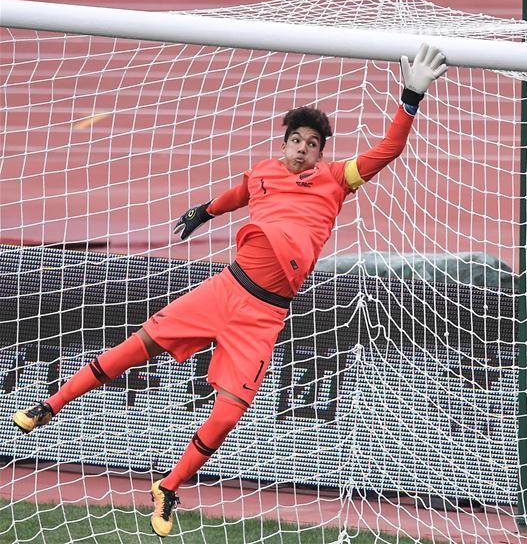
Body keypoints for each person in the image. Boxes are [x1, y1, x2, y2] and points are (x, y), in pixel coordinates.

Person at [11, 43, 447, 538]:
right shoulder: (262, 173)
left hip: (264, 315)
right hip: (225, 289)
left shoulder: (335, 179)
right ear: (284, 143)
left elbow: (388, 150)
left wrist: (411, 97)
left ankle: (168, 486)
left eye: (312, 144)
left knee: (228, 415)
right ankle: (50, 406)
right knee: (136, 347)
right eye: (296, 140)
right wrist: (205, 211)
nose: (303, 149)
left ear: (321, 153)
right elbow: (241, 192)